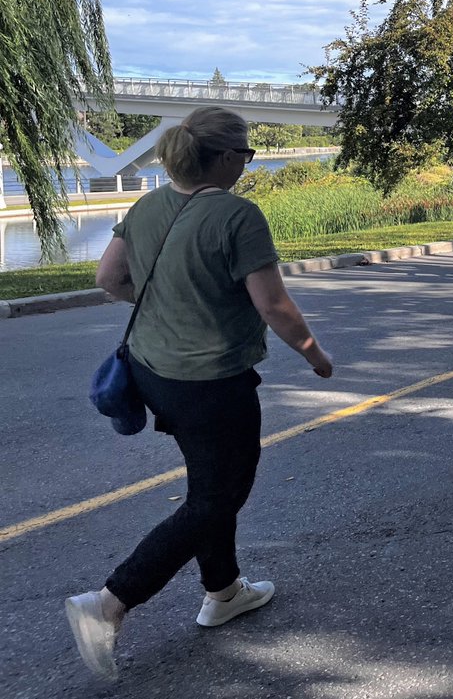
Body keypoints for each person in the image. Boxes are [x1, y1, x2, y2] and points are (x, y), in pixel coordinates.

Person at [67, 106, 333, 682]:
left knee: (209, 482)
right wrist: (316, 355)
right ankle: (110, 602)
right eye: (246, 154)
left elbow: (110, 279)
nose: (247, 163)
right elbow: (273, 305)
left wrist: (171, 305)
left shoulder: (146, 205)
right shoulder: (238, 215)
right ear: (225, 158)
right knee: (219, 496)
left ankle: (224, 590)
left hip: (154, 373)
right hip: (213, 382)